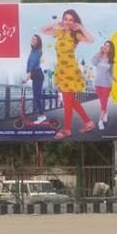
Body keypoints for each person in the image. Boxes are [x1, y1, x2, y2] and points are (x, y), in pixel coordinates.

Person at [40, 9, 95, 140]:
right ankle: (88, 122)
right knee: (70, 100)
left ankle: (66, 129)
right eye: (66, 19)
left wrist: (80, 27)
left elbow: (91, 40)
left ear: (74, 21)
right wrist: (57, 22)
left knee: (67, 101)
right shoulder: (60, 32)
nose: (68, 22)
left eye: (71, 20)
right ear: (63, 20)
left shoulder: (75, 35)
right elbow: (42, 29)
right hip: (61, 70)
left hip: (70, 70)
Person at [91, 40, 117, 130]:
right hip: (97, 84)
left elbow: (111, 75)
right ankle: (105, 113)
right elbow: (92, 62)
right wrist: (99, 52)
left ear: (111, 49)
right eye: (105, 45)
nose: (105, 47)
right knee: (102, 103)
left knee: (103, 104)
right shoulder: (99, 57)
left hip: (106, 85)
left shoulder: (111, 61)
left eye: (108, 46)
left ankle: (100, 121)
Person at [22, 34, 47, 122]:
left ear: (38, 42)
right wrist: (28, 76)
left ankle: (42, 115)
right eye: (32, 39)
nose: (33, 40)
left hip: (37, 75)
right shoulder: (33, 51)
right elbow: (29, 64)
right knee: (37, 95)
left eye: (35, 39)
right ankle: (56, 96)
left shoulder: (37, 51)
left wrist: (27, 77)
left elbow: (32, 64)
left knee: (37, 96)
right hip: (35, 75)